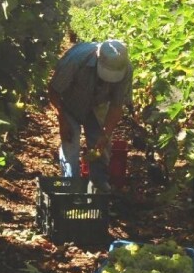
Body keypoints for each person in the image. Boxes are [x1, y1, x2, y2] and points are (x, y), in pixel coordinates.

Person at [47, 40, 132, 193]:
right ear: (97, 58)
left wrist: (105, 134)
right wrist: (62, 120)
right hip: (70, 103)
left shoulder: (126, 70)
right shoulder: (76, 60)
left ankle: (99, 185)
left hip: (98, 105)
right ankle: (71, 186)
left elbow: (116, 105)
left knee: (100, 146)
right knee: (71, 143)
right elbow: (54, 91)